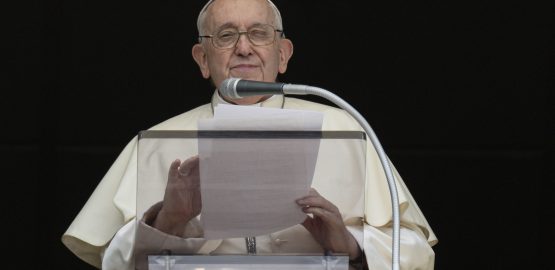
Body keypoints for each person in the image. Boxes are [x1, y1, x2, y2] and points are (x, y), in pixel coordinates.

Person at [61, 0, 438, 269]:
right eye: (225, 36)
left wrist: (351, 245)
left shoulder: (345, 127)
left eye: (259, 34)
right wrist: (167, 223)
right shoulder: (160, 140)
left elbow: (417, 252)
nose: (244, 47)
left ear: (283, 53)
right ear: (202, 59)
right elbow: (112, 261)